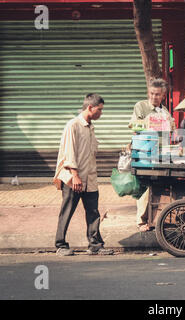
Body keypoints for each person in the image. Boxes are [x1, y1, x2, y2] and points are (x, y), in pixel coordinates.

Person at [53, 93, 114, 256]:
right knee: (67, 211)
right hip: (74, 179)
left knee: (93, 212)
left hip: (90, 179)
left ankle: (95, 245)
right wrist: (75, 176)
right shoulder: (73, 125)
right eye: (99, 110)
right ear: (90, 108)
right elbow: (69, 153)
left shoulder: (90, 127)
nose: (101, 113)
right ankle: (60, 245)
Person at [128, 78, 175, 232]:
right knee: (145, 185)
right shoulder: (140, 106)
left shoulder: (165, 111)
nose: (154, 97)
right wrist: (152, 122)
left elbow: (170, 131)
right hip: (144, 151)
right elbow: (134, 126)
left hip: (161, 152)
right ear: (148, 93)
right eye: (152, 94)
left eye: (158, 94)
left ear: (163, 95)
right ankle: (141, 221)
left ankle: (155, 219)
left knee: (159, 185)